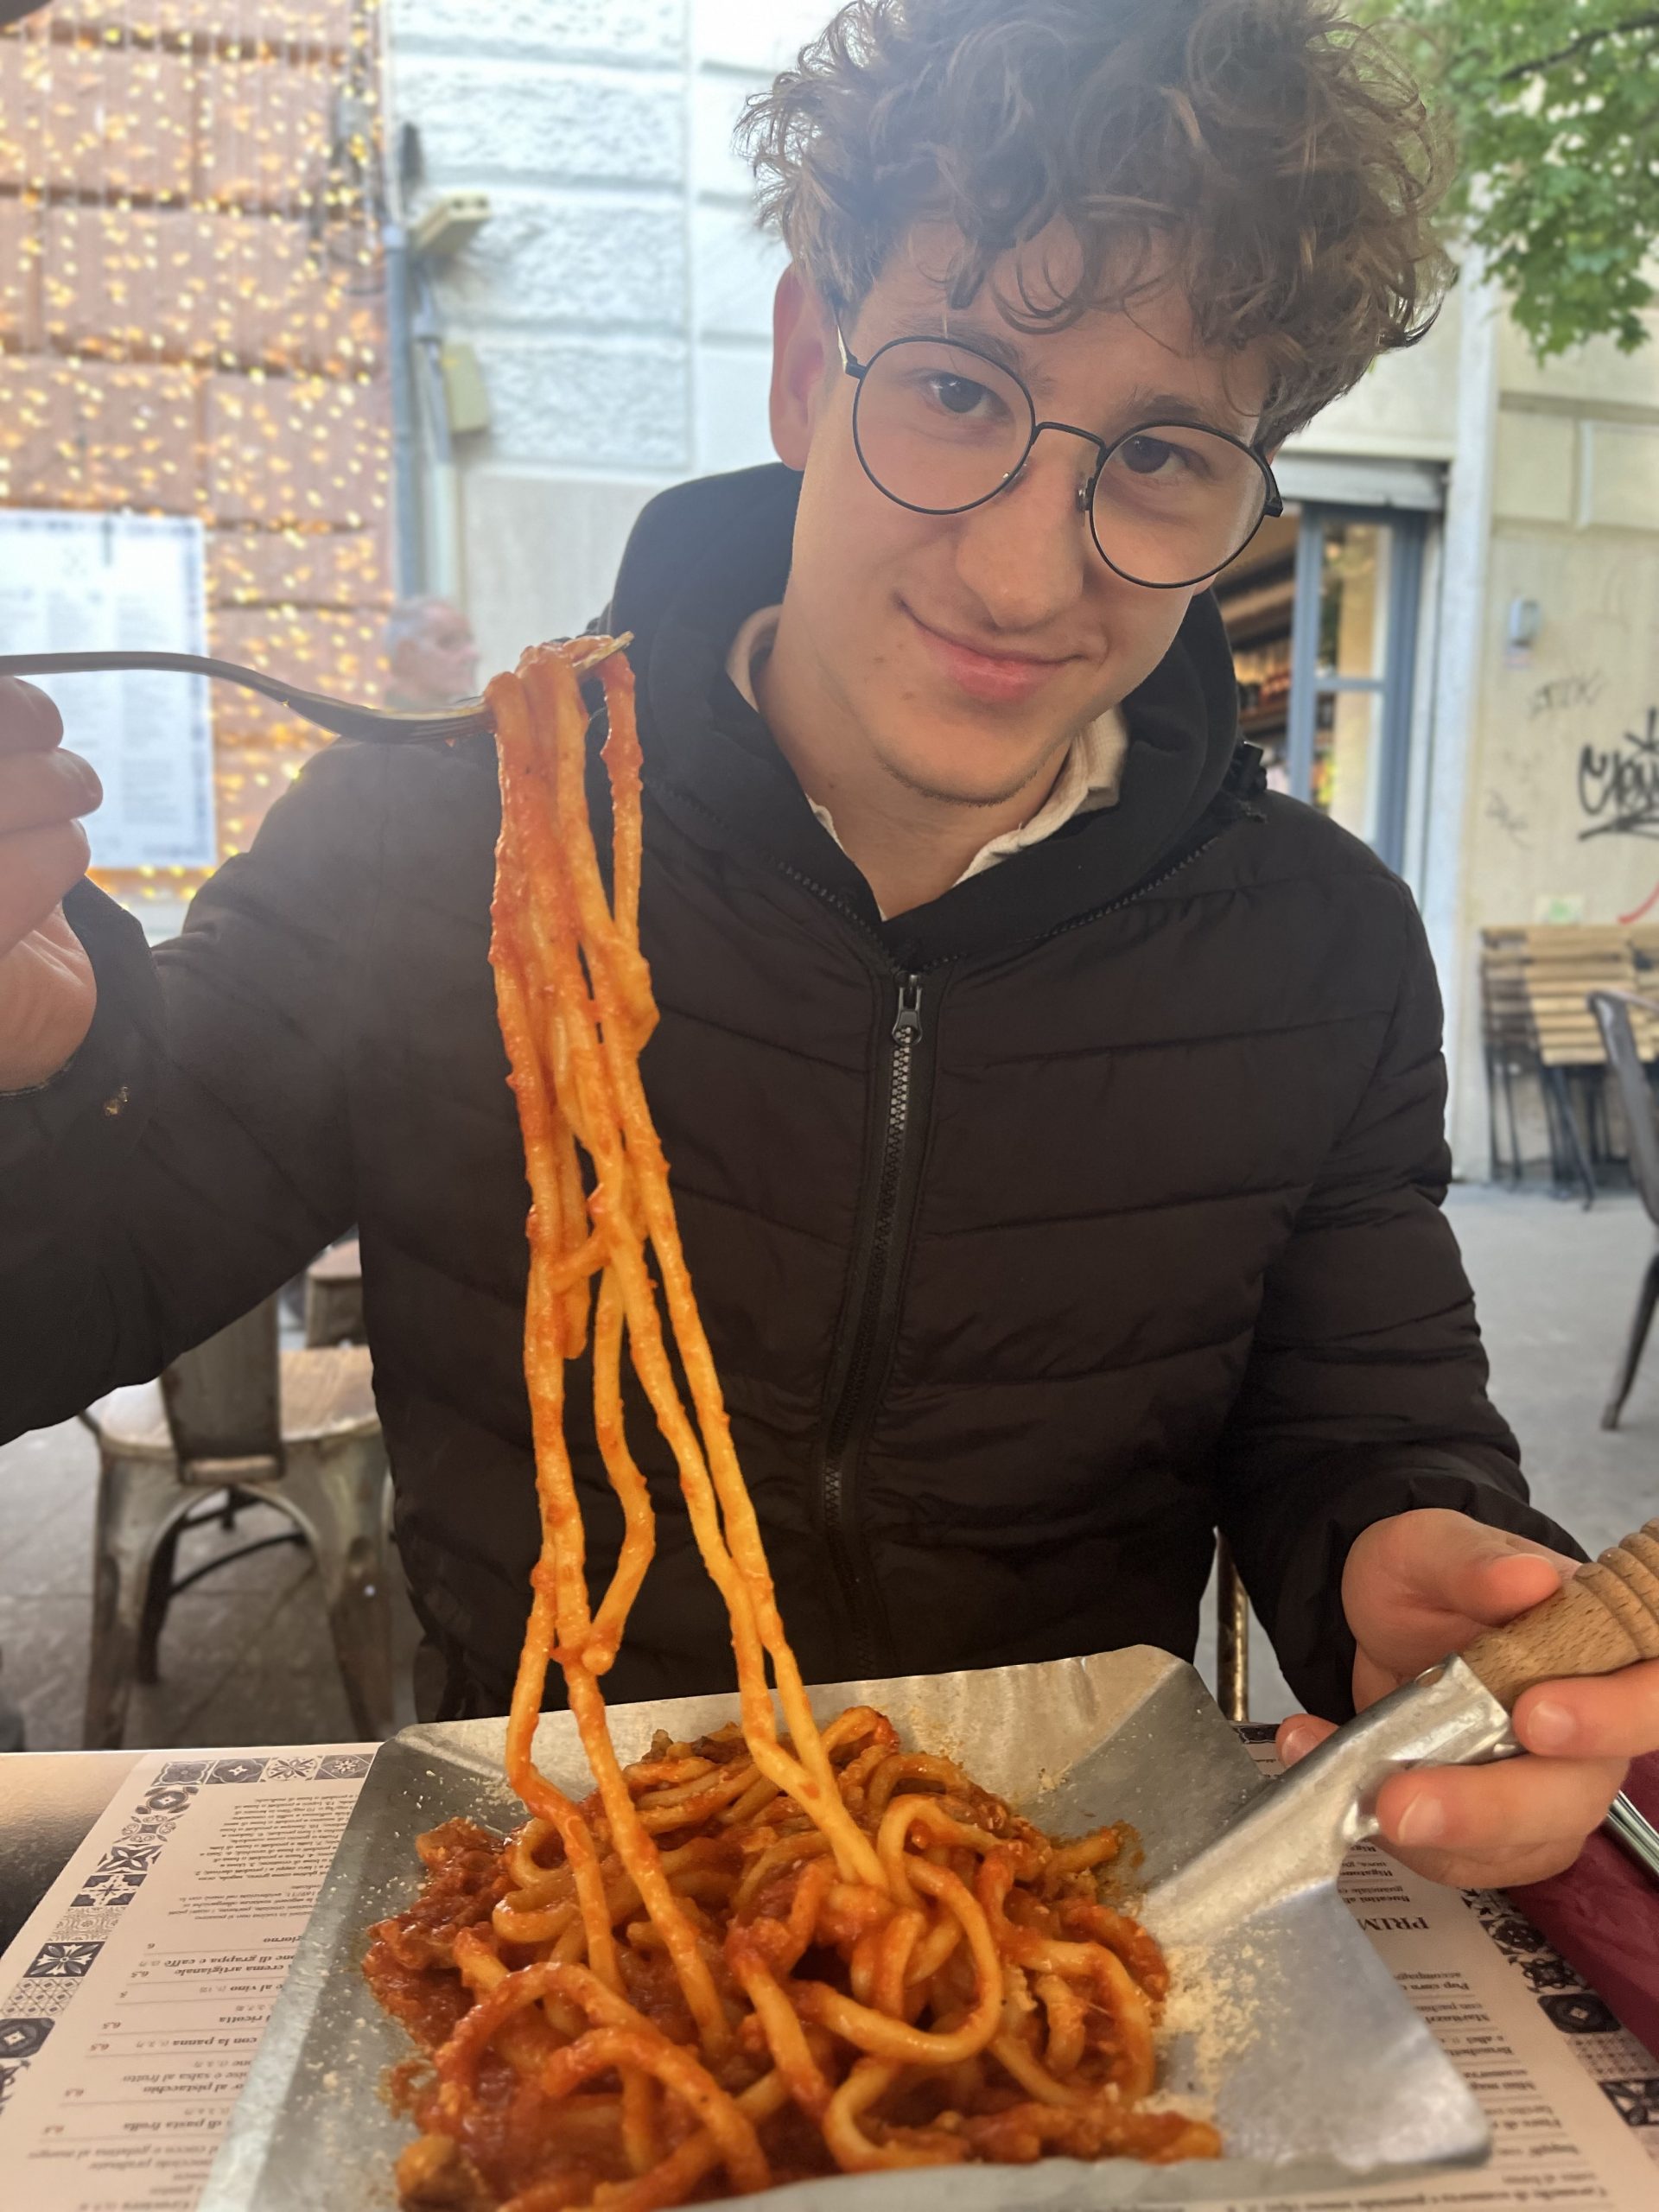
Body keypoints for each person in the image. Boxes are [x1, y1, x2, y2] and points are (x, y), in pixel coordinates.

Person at [1, 0, 1653, 1892]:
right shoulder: (434, 842)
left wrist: (1407, 1564)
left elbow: (1362, 1420)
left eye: (1163, 454)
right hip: (556, 1895)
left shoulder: (1317, 944)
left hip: (1057, 1907)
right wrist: (40, 1064)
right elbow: (65, 1300)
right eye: (956, 388)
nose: (1025, 573)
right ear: (807, 366)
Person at [384, 595, 480, 711]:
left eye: (468, 641)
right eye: (449, 642)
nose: (472, 654)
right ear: (407, 654)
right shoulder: (381, 719)